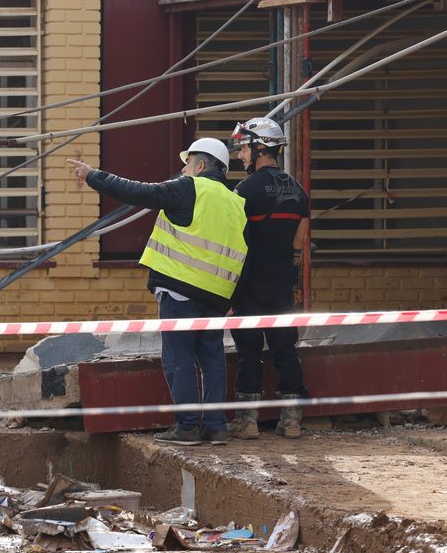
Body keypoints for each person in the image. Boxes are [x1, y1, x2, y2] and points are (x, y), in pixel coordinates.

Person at [69, 138, 247, 446]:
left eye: (188, 162)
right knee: (212, 358)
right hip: (217, 295)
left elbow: (141, 192)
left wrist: (93, 176)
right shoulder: (235, 202)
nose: (183, 168)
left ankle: (188, 426)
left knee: (179, 357)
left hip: (180, 290)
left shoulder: (190, 187)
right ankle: (216, 426)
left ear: (201, 165)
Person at [227, 117, 310, 440]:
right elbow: (298, 244)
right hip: (281, 285)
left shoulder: (245, 190)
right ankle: (292, 421)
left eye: (244, 148)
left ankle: (247, 422)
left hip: (249, 285)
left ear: (260, 148)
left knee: (249, 351)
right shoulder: (298, 190)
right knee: (285, 349)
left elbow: (235, 242)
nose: (240, 156)